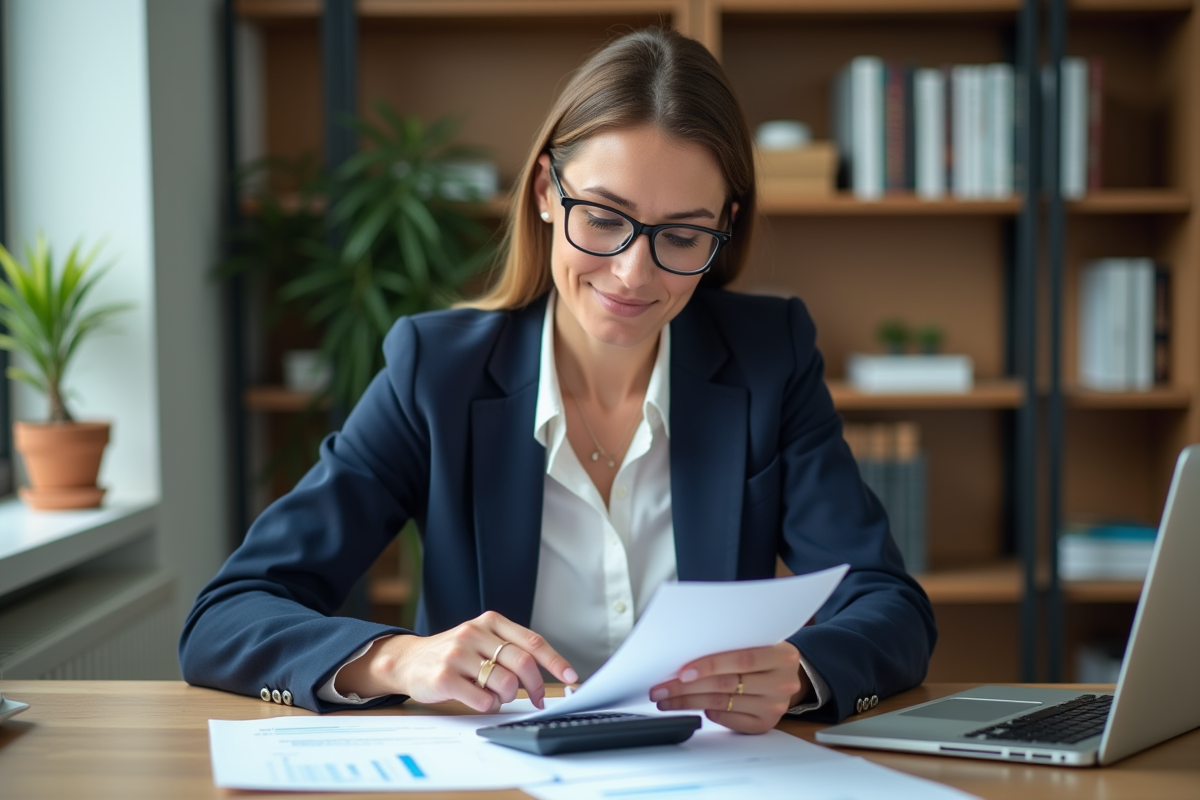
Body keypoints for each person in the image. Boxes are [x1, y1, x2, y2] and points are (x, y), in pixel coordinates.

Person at [180, 27, 936, 734]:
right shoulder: (437, 372)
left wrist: (803, 672)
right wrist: (401, 658)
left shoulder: (771, 358)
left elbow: (890, 605)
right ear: (546, 189)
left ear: (724, 229)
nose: (633, 274)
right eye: (603, 218)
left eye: (681, 234)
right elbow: (229, 615)